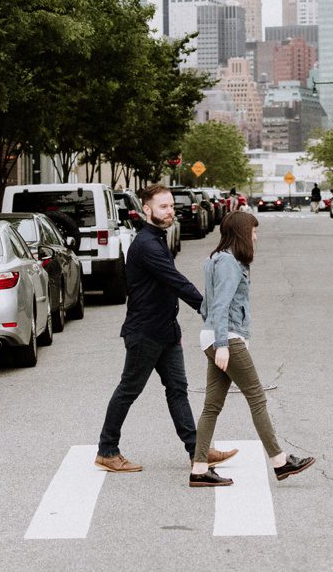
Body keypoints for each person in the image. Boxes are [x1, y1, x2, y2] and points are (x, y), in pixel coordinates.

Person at [95, 185, 236, 475]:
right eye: (163, 207)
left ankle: (197, 450)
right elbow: (175, 280)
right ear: (147, 210)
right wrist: (207, 310)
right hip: (145, 332)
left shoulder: (157, 238)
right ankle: (107, 451)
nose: (170, 211)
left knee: (177, 390)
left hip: (166, 331)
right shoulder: (147, 244)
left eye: (171, 206)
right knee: (128, 390)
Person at [189, 211, 314, 488]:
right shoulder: (229, 263)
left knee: (212, 405)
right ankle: (280, 461)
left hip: (213, 335)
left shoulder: (215, 259)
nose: (255, 237)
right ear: (242, 233)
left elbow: (206, 306)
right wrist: (223, 344)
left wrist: (215, 338)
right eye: (253, 231)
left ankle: (199, 468)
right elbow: (219, 306)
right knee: (256, 397)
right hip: (226, 337)